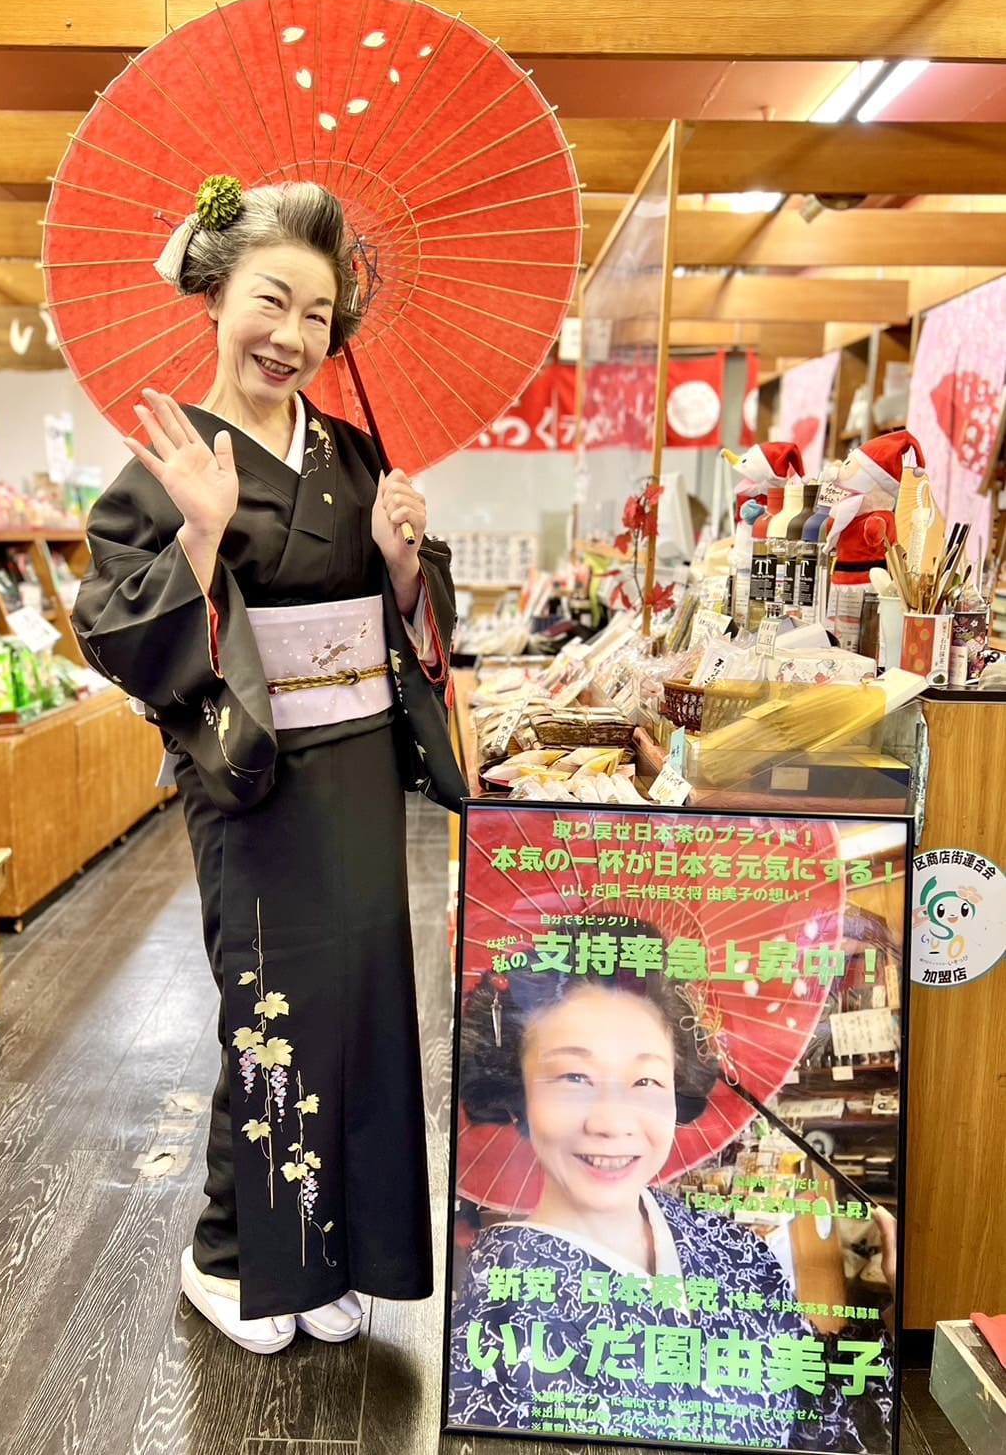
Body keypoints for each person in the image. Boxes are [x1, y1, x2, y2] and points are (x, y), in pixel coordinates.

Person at [73, 178, 466, 1356]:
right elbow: (113, 631)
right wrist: (197, 531)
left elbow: (418, 623)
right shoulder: (162, 468)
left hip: (351, 773)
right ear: (212, 295)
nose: (292, 336)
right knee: (271, 1010)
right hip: (248, 780)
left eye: (317, 314)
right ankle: (229, 1255)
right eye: (269, 301)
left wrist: (402, 564)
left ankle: (336, 1250)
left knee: (361, 1009)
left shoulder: (354, 458)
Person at [448, 930, 896, 1450]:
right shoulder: (494, 1318)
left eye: (646, 1081)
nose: (613, 1122)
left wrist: (891, 1303)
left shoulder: (734, 1249)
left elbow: (816, 1411)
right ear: (514, 1095)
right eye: (573, 1077)